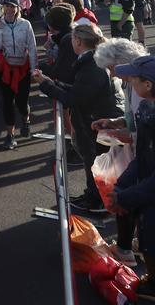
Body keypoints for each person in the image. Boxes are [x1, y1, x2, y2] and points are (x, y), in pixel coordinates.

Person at [33, 22, 122, 213]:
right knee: (94, 162)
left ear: (78, 41)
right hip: (93, 120)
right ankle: (92, 195)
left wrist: (46, 85)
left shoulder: (92, 66)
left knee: (96, 163)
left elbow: (74, 98)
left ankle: (98, 202)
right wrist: (51, 83)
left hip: (96, 123)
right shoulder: (91, 61)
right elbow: (79, 91)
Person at [93, 38, 148, 267]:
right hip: (137, 152)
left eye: (112, 68)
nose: (112, 74)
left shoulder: (142, 86)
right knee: (131, 199)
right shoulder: (130, 82)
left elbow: (146, 126)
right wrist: (115, 123)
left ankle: (127, 249)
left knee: (126, 198)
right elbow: (132, 119)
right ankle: (133, 243)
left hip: (144, 154)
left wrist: (129, 136)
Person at [112, 56, 155, 299]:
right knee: (147, 233)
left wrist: (125, 197)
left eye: (133, 78)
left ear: (147, 85)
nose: (128, 80)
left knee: (151, 235)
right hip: (147, 190)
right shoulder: (147, 108)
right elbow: (143, 156)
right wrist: (122, 185)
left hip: (150, 190)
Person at [0, 0, 38, 150]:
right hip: (6, 68)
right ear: (3, 8)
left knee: (22, 102)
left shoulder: (25, 24)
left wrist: (34, 69)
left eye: (13, 6)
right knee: (7, 103)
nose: (10, 9)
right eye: (7, 6)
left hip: (23, 68)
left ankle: (26, 120)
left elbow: (32, 47)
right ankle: (10, 136)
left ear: (18, 8)